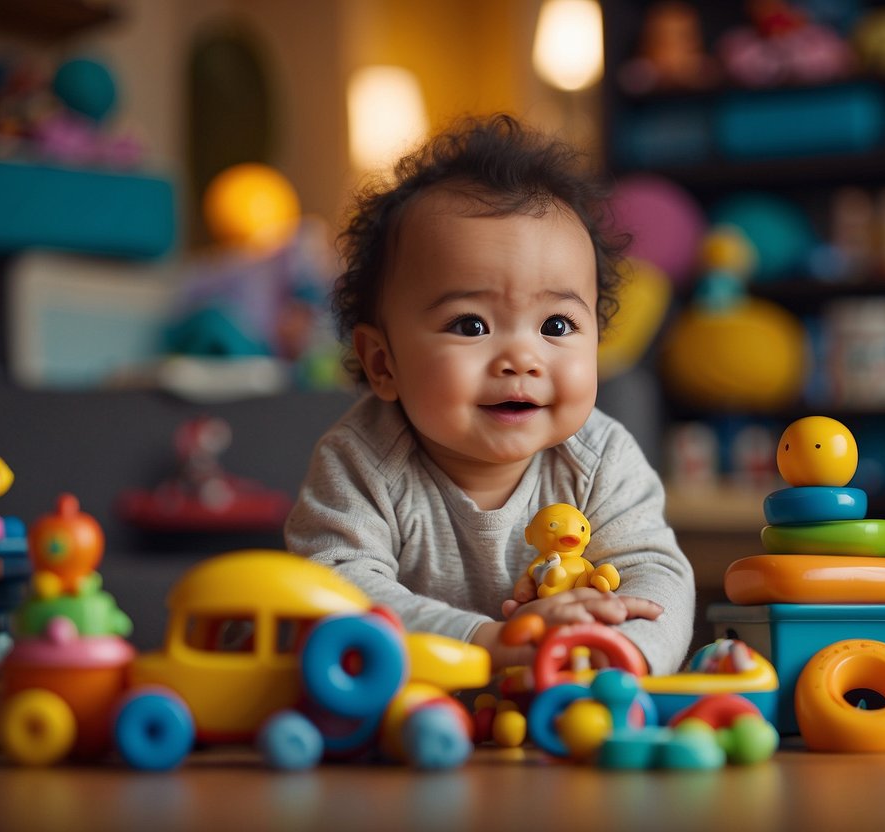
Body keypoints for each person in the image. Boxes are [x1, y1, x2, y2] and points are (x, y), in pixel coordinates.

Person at [284, 114, 694, 674]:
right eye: (471, 325)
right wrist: (485, 641)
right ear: (383, 363)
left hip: (563, 711)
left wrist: (624, 653)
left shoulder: (601, 460)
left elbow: (655, 573)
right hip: (406, 720)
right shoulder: (360, 462)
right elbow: (336, 588)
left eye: (556, 326)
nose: (521, 359)